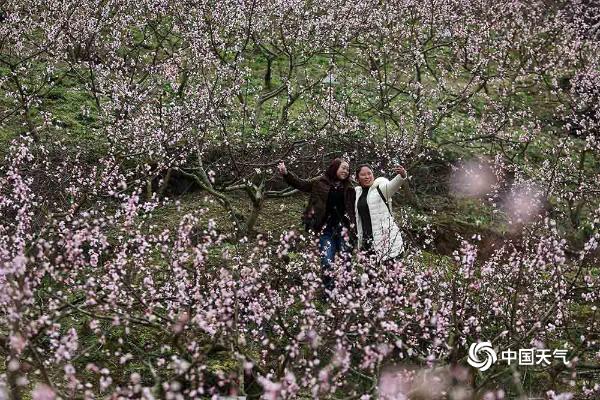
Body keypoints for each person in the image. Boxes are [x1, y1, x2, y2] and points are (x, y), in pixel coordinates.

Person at [278, 159, 356, 292]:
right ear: (335, 168)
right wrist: (286, 173)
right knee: (327, 261)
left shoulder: (350, 186)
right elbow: (301, 184)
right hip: (325, 229)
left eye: (347, 169)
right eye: (343, 168)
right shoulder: (320, 182)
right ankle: (329, 292)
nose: (346, 171)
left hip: (344, 229)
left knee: (346, 261)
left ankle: (346, 293)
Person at [354, 164, 407, 263]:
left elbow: (393, 185)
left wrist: (402, 175)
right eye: (363, 175)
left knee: (392, 276)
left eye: (369, 173)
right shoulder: (357, 193)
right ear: (357, 178)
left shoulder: (380, 189)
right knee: (370, 276)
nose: (367, 177)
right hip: (367, 241)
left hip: (387, 241)